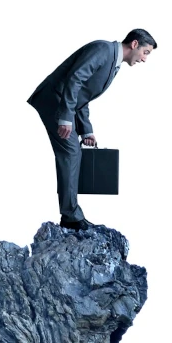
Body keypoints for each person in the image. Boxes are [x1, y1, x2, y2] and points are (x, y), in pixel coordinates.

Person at [28, 30, 157, 230]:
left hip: (63, 103)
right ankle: (70, 216)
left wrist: (86, 130)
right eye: (146, 52)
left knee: (73, 152)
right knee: (70, 152)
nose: (145, 59)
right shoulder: (103, 49)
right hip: (54, 99)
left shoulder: (114, 64)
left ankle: (70, 214)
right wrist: (65, 116)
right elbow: (75, 78)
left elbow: (83, 94)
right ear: (134, 44)